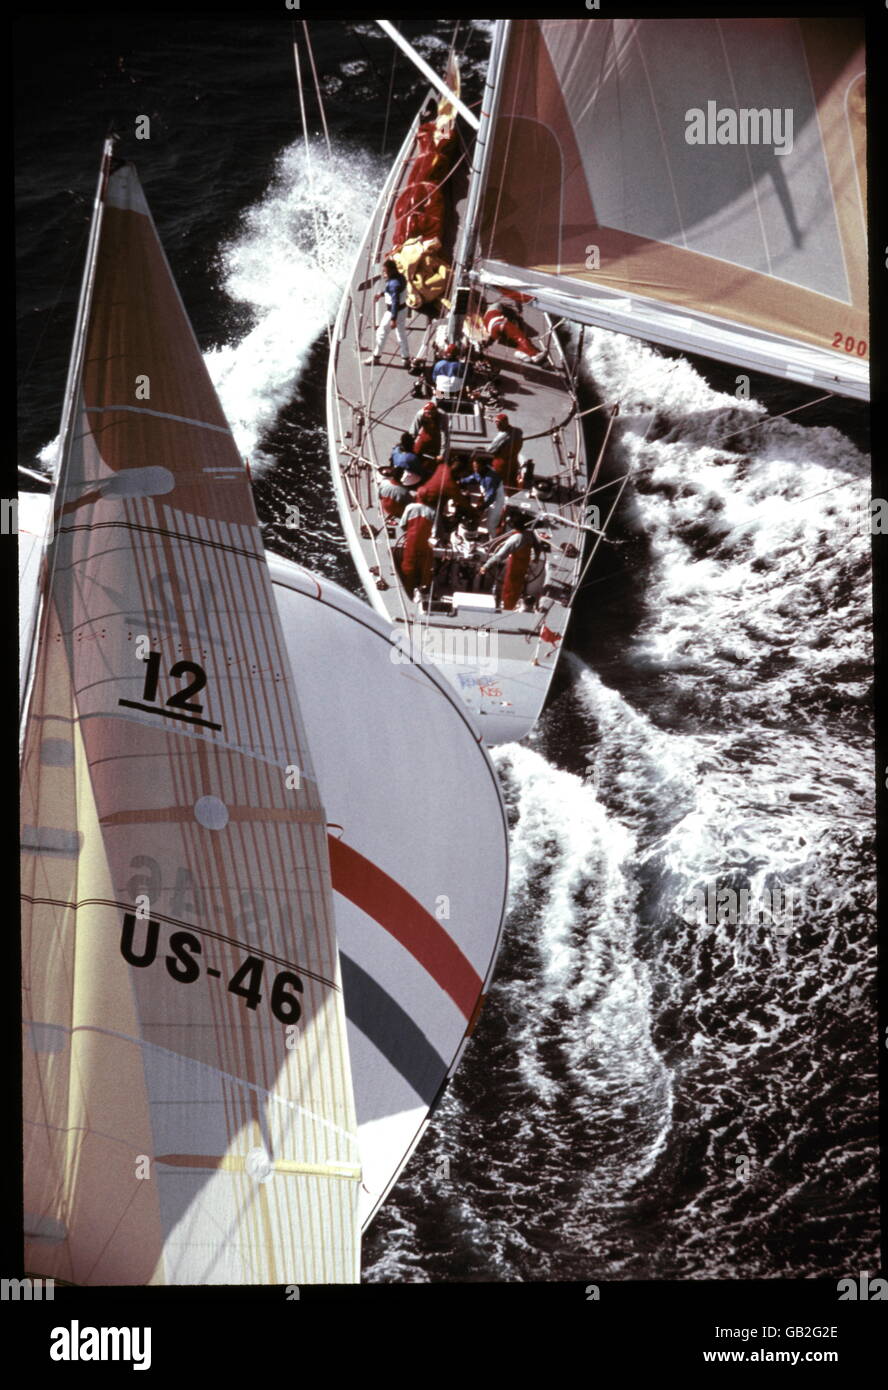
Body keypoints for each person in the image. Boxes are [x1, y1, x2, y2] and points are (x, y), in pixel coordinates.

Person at [480, 513, 549, 611]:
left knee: (510, 590)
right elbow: (537, 547)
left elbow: (500, 555)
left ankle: (507, 609)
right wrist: (536, 557)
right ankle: (508, 603)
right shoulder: (529, 533)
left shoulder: (515, 539)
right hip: (523, 565)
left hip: (514, 567)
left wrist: (486, 566)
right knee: (514, 587)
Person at [366, 258, 410, 368]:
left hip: (393, 311)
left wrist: (393, 318)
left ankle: (376, 357)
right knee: (401, 333)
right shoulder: (400, 278)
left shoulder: (393, 284)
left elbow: (395, 301)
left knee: (381, 332)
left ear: (392, 271)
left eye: (385, 271)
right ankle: (406, 358)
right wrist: (381, 294)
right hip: (403, 309)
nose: (383, 274)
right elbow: (392, 291)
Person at [482, 300, 546, 363]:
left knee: (515, 339)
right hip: (500, 323)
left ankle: (522, 353)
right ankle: (534, 355)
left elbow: (492, 335)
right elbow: (513, 313)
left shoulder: (486, 317)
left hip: (493, 329)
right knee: (520, 337)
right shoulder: (495, 307)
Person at [397, 497, 437, 597]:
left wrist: (407, 533)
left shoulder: (410, 507)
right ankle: (425, 591)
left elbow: (402, 525)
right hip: (426, 544)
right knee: (426, 567)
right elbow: (437, 531)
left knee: (408, 566)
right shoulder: (433, 511)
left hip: (411, 541)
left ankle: (409, 590)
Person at [462, 455, 504, 536]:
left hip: (496, 500)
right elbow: (473, 477)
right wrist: (461, 481)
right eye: (474, 467)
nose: (475, 469)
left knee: (491, 525)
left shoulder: (490, 478)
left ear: (483, 466)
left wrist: (481, 507)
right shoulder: (479, 472)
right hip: (487, 495)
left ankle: (493, 539)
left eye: (477, 467)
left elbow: (491, 497)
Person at [489, 412, 524, 489]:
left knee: (498, 481)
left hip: (501, 464)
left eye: (498, 425)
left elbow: (491, 450)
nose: (497, 427)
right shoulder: (518, 431)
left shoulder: (501, 436)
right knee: (511, 479)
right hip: (513, 461)